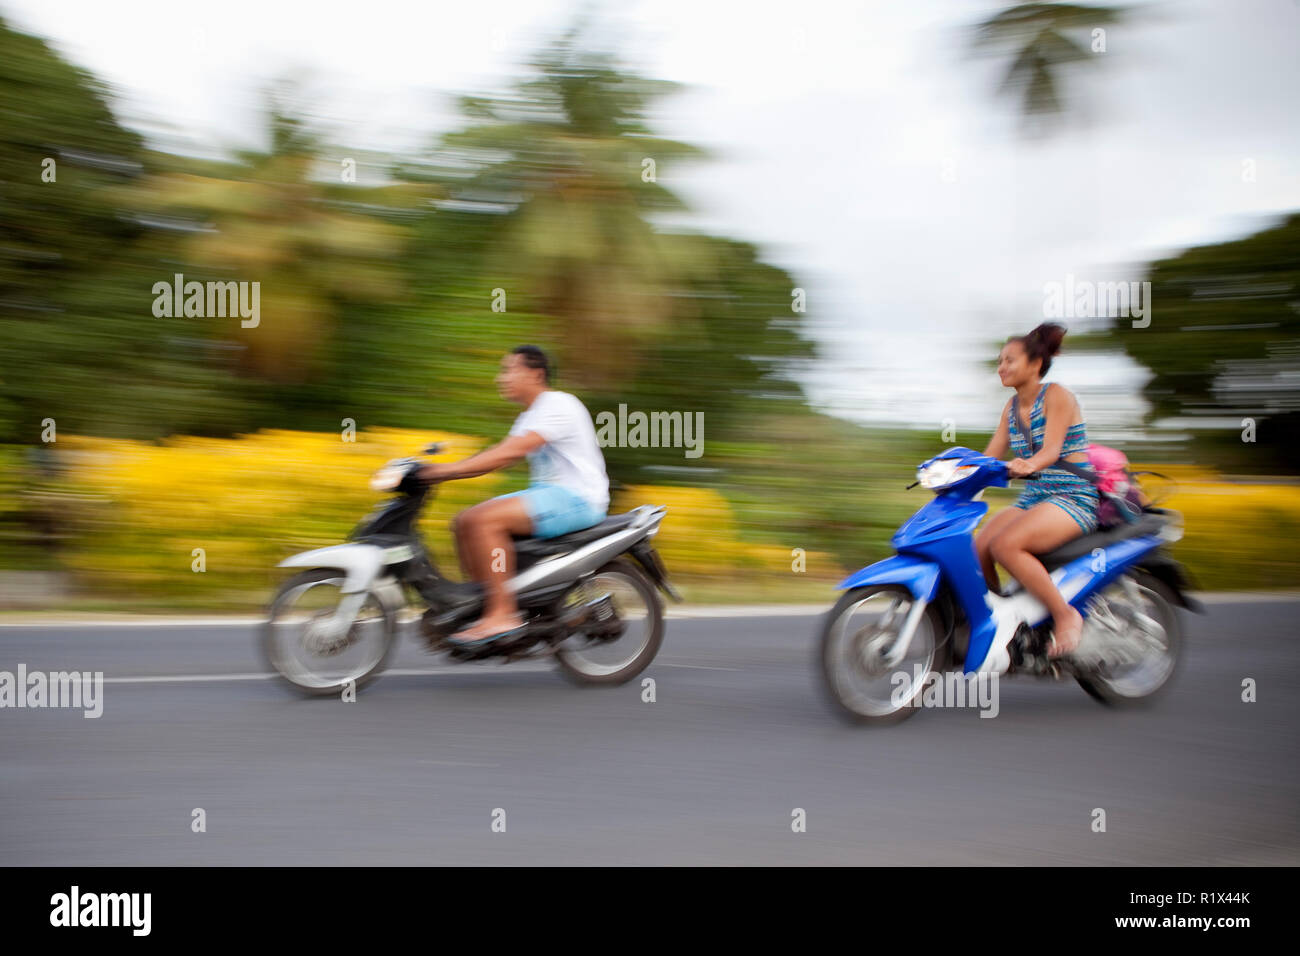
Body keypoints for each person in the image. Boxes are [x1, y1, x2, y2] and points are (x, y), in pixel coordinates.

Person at [418, 345, 609, 647]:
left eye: (509, 370)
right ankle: (484, 605)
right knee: (465, 520)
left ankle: (503, 614)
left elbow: (507, 454)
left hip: (578, 498)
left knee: (484, 522)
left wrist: (441, 471)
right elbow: (499, 456)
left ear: (536, 374)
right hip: (551, 495)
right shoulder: (529, 415)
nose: (501, 378)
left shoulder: (558, 404)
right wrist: (440, 470)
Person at [975, 322, 1099, 658]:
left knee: (1006, 545)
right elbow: (990, 457)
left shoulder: (1057, 395)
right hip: (1036, 497)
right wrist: (957, 474)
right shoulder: (1011, 409)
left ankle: (1064, 615)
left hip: (1072, 495)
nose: (1001, 367)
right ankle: (1000, 619)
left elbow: (1052, 451)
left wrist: (1030, 464)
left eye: (1009, 360)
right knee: (980, 545)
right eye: (1000, 361)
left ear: (1034, 364)